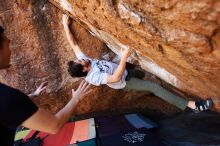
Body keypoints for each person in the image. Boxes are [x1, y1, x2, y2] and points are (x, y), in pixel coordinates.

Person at [63, 15, 213, 112]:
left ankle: (152, 81)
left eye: (79, 58)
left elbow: (74, 44)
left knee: (145, 74)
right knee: (154, 87)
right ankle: (191, 105)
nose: (82, 58)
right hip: (125, 82)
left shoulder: (84, 63)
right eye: (81, 61)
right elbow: (115, 78)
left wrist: (65, 25)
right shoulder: (94, 78)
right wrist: (123, 58)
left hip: (128, 70)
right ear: (85, 68)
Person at [0, 25, 91, 146]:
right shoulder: (7, 97)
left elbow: (10, 108)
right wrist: (76, 98)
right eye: (7, 43)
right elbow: (54, 126)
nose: (10, 50)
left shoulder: (8, 98)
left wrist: (33, 95)